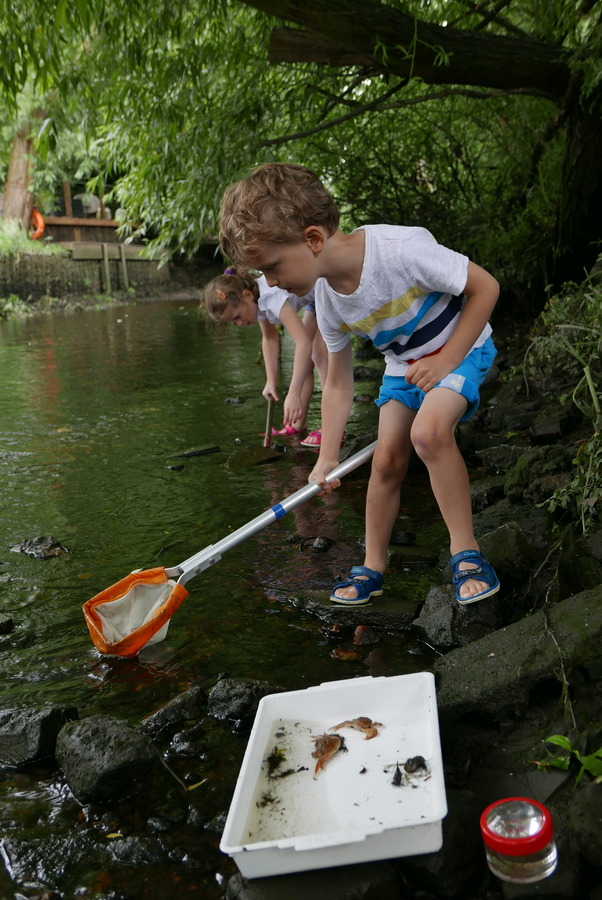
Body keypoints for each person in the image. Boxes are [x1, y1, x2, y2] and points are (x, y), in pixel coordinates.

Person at [219, 162, 501, 607]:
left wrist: (446, 360)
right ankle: (373, 566)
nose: (270, 283)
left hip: (460, 348)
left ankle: (466, 552)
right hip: (403, 365)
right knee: (386, 458)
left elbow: (486, 288)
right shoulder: (328, 302)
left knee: (427, 434)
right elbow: (337, 384)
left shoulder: (401, 250)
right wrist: (327, 457)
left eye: (272, 268)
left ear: (312, 239)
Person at [202, 267, 328, 439]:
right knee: (303, 364)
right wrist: (270, 381)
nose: (239, 324)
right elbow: (269, 339)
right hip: (315, 297)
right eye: (233, 322)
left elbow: (303, 342)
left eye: (237, 317)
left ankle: (331, 427)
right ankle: (297, 425)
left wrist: (293, 393)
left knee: (317, 354)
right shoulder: (256, 302)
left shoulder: (270, 296)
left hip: (327, 285)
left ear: (247, 295)